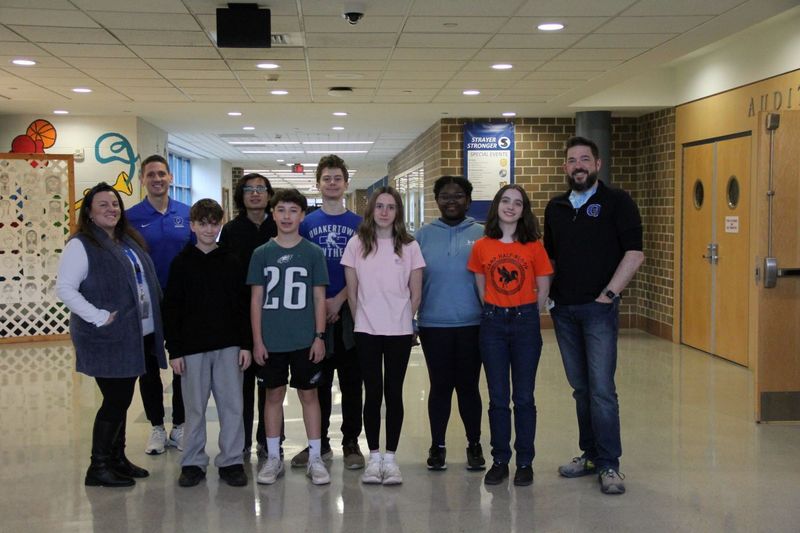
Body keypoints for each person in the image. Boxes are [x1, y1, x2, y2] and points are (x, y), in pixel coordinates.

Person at [544, 136, 644, 495]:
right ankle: (589, 456)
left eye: (585, 159)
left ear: (597, 164)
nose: (578, 165)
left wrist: (609, 295)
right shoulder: (555, 207)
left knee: (602, 390)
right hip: (564, 311)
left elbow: (634, 253)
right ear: (565, 168)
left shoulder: (617, 202)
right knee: (580, 388)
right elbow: (550, 260)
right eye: (572, 160)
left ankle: (609, 465)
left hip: (598, 310)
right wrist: (546, 299)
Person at [56, 182, 165, 487]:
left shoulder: (126, 239)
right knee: (115, 400)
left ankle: (117, 459)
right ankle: (98, 466)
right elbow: (64, 288)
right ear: (89, 212)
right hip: (107, 335)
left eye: (115, 204)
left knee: (123, 398)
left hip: (135, 333)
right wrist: (98, 317)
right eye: (102, 205)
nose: (111, 209)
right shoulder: (81, 244)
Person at [162, 199, 253, 488]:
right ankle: (192, 462)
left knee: (232, 406)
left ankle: (231, 461)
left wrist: (245, 344)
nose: (208, 229)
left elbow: (242, 306)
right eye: (202, 223)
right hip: (192, 349)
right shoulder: (181, 263)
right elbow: (172, 309)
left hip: (228, 345)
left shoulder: (232, 260)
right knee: (195, 409)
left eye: (214, 223)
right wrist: (174, 350)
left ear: (220, 224)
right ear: (192, 225)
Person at [467, 184, 552, 487]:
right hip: (492, 324)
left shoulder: (534, 246)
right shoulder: (482, 246)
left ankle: (525, 461)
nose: (511, 207)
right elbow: (480, 285)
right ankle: (500, 460)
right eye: (506, 201)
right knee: (499, 398)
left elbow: (543, 287)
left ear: (523, 210)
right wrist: (496, 309)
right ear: (497, 206)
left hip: (525, 322)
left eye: (518, 203)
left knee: (524, 397)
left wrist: (526, 312)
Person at [342, 186, 425, 485]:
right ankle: (374, 457)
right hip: (366, 329)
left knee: (393, 392)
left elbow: (415, 293)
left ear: (398, 212)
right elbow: (352, 293)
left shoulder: (410, 246)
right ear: (371, 210)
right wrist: (363, 318)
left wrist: (404, 318)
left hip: (399, 331)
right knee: (373, 393)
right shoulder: (357, 244)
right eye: (380, 206)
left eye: (391, 207)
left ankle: (391, 459)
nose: (385, 212)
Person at [248, 189, 331, 486]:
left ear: (302, 216)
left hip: (304, 339)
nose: (286, 216)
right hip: (271, 341)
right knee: (273, 395)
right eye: (281, 210)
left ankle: (316, 457)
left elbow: (319, 298)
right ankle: (272, 457)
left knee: (309, 395)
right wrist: (257, 341)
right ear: (273, 214)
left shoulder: (312, 252)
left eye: (293, 210)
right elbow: (256, 300)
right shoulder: (261, 253)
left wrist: (319, 336)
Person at [294, 155, 364, 470]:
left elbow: (365, 269)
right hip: (315, 311)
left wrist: (340, 299)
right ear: (318, 184)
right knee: (318, 382)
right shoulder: (307, 223)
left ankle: (351, 443)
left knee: (351, 381)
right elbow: (302, 267)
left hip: (350, 311)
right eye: (327, 178)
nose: (332, 183)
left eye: (338, 178)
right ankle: (318, 443)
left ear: (346, 184)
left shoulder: (360, 224)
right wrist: (323, 303)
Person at [415, 176, 486, 472]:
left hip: (474, 323)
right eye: (445, 196)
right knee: (440, 386)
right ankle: (438, 446)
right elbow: (412, 282)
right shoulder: (422, 236)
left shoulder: (483, 234)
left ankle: (474, 444)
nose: (452, 201)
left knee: (469, 386)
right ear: (437, 201)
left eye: (458, 196)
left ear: (468, 200)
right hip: (434, 324)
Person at [126, 154, 191, 455]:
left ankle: (179, 425)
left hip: (180, 302)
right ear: (142, 179)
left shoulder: (186, 213)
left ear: (170, 178)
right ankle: (156, 426)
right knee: (148, 365)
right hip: (146, 302)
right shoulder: (131, 217)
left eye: (162, 173)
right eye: (150, 174)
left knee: (183, 365)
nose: (157, 179)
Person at [219, 173, 277, 458]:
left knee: (270, 385)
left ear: (269, 194)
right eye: (249, 189)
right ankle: (240, 442)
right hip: (239, 316)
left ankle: (268, 439)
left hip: (274, 315)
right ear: (241, 195)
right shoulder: (231, 230)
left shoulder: (278, 225)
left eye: (261, 189)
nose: (255, 194)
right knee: (241, 386)